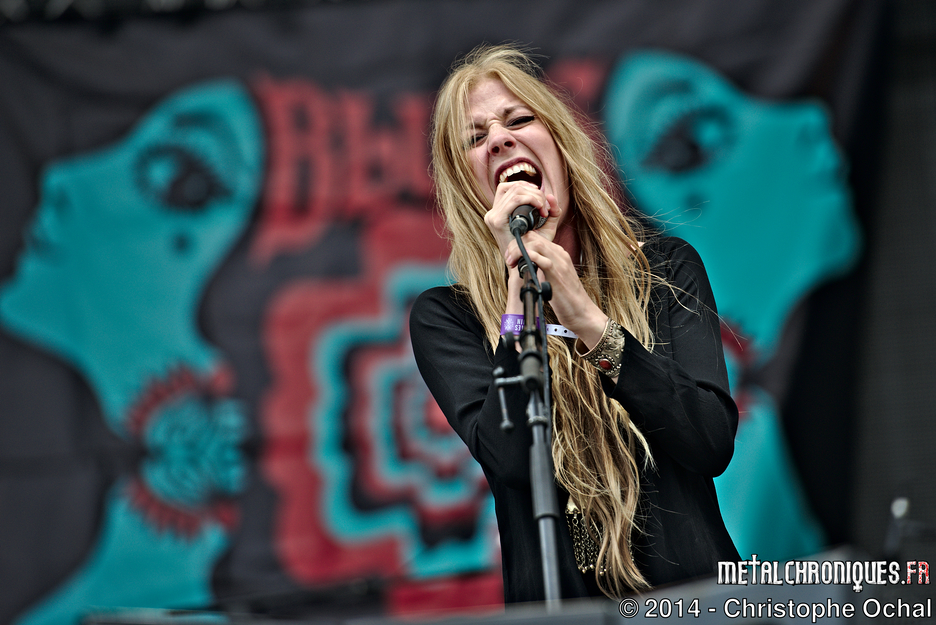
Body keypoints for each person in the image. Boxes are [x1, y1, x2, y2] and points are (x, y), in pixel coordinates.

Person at [409, 44, 740, 603]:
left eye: (518, 120)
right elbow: (511, 459)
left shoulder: (664, 270)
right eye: (476, 137)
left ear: (559, 143)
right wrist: (520, 290)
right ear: (467, 187)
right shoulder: (449, 318)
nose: (500, 140)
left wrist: (587, 320)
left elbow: (709, 441)